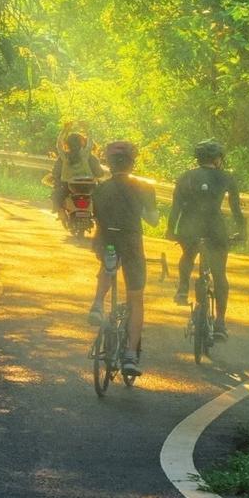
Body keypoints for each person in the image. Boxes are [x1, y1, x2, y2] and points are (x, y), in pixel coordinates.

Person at [86, 139, 159, 374]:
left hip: (106, 241)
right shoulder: (144, 187)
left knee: (108, 266)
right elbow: (153, 220)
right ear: (132, 162)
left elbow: (94, 216)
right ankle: (129, 355)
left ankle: (97, 304)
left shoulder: (101, 188)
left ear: (109, 163)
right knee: (136, 298)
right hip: (131, 244)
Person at [168, 139, 246, 339]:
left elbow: (176, 205)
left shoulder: (186, 176)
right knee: (220, 275)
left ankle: (183, 288)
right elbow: (236, 208)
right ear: (218, 158)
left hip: (189, 226)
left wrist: (171, 230)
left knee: (188, 254)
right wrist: (242, 231)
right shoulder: (226, 177)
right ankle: (220, 323)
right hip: (215, 228)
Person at [52, 128, 103, 216]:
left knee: (56, 195)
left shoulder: (64, 156)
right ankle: (98, 216)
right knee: (99, 197)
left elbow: (59, 146)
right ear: (82, 143)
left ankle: (60, 212)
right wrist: (87, 129)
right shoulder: (85, 154)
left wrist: (64, 131)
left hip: (68, 185)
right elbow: (90, 144)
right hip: (88, 186)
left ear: (67, 144)